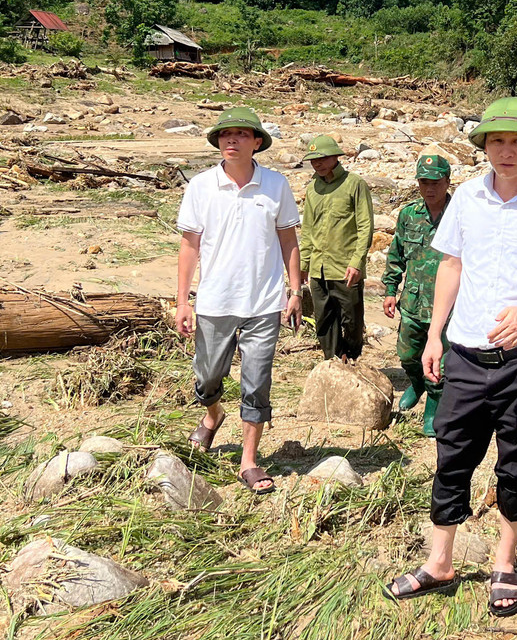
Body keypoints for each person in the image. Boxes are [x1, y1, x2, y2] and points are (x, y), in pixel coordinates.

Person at [384, 98, 517, 617]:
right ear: (484, 147)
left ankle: (505, 562)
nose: (506, 150)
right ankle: (440, 562)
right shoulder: (467, 201)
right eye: (496, 141)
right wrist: (434, 335)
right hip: (464, 354)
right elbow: (451, 265)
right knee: (451, 456)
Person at [175, 107, 302, 495]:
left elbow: (288, 239)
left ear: (257, 142)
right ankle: (213, 415)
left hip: (264, 303)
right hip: (215, 301)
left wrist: (295, 291)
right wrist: (183, 300)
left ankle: (248, 459)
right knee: (207, 377)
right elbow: (189, 244)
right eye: (225, 134)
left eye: (242, 135)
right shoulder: (201, 186)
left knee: (256, 382)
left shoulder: (276, 185)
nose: (232, 140)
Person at [382, 153, 453, 437]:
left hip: (448, 305)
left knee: (441, 360)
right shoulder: (409, 214)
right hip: (413, 300)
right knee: (408, 354)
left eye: (436, 181)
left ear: (447, 181)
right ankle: (417, 382)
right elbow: (396, 254)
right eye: (424, 182)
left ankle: (433, 407)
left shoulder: (460, 215)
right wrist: (389, 289)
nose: (430, 188)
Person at [299, 134, 373, 363]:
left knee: (352, 318)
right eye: (313, 160)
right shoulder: (313, 189)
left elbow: (365, 226)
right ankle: (333, 361)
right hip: (318, 267)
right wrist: (303, 263)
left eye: (321, 158)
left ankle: (351, 356)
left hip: (345, 267)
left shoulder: (354, 184)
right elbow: (308, 228)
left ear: (335, 157)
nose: (317, 164)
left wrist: (356, 262)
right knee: (323, 318)